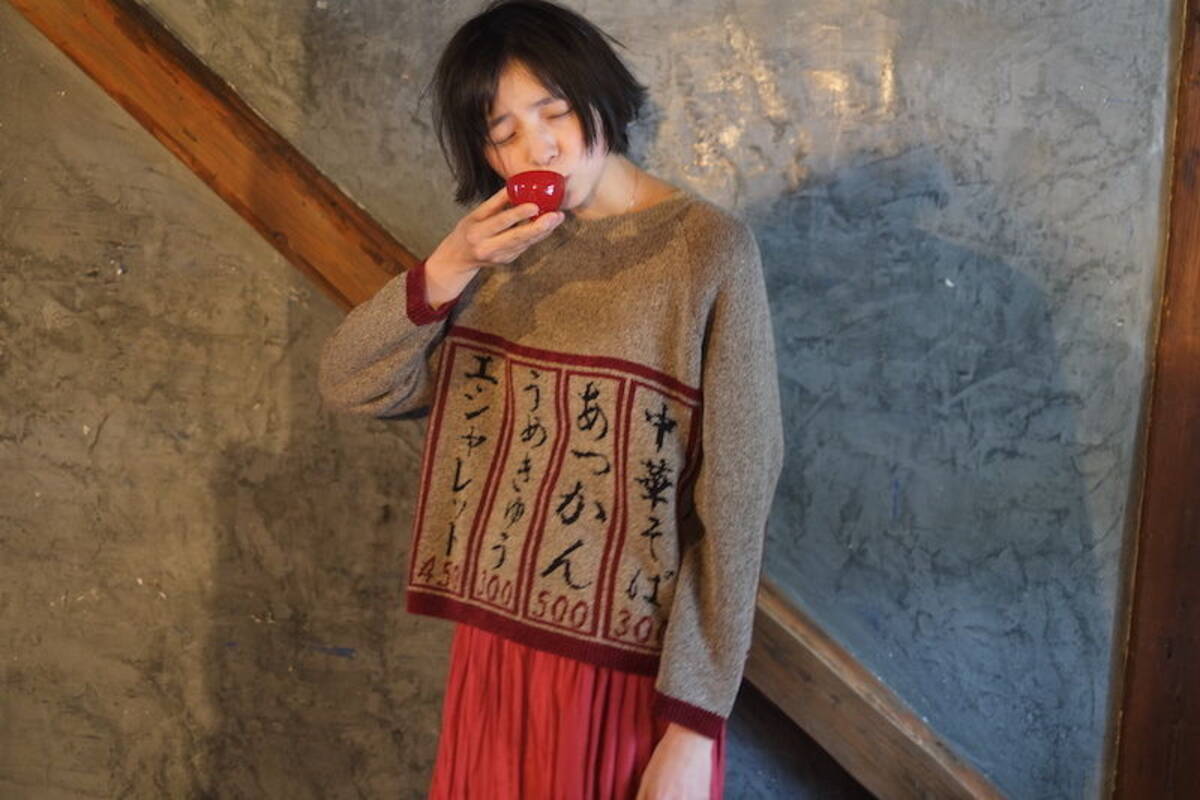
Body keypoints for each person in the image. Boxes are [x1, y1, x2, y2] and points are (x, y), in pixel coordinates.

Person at [316, 1, 784, 797]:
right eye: (502, 132)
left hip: (627, 675)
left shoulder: (708, 249)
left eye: (554, 110)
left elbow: (737, 497)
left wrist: (694, 724)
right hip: (494, 653)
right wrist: (447, 267)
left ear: (598, 91)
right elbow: (350, 382)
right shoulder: (497, 253)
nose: (538, 147)